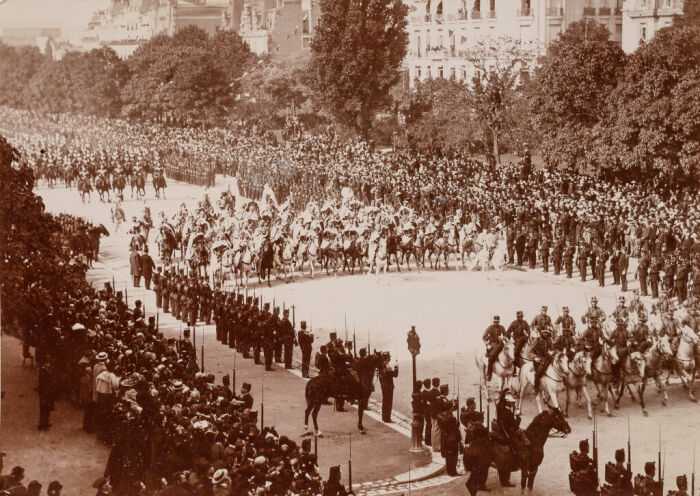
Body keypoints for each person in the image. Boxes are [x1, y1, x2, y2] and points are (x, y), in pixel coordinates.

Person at [483, 316, 507, 381]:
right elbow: (484, 336)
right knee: (491, 358)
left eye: (497, 322)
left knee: (509, 353)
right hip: (492, 344)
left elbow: (506, 334)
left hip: (500, 344)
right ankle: (489, 374)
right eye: (495, 322)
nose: (496, 323)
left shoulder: (501, 327)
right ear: (493, 322)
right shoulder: (489, 328)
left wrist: (503, 337)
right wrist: (487, 343)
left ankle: (512, 371)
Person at [378, 352, 398, 423]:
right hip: (388, 387)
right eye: (389, 357)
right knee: (388, 402)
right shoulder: (387, 366)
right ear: (386, 358)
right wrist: (396, 368)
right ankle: (387, 418)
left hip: (383, 386)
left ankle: (384, 417)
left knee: (385, 402)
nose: (390, 358)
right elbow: (395, 375)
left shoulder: (381, 365)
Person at [532, 328, 554, 393]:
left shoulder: (549, 340)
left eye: (547, 333)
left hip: (547, 357)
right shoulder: (537, 340)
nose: (546, 334)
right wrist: (535, 357)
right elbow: (530, 351)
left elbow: (552, 349)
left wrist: (552, 352)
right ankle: (536, 387)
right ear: (541, 334)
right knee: (538, 372)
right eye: (544, 333)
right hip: (538, 358)